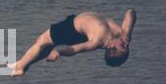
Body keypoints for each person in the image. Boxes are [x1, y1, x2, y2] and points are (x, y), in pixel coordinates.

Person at [8, 9, 137, 76]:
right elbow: (130, 12)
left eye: (123, 47)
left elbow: (75, 49)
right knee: (46, 47)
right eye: (126, 46)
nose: (125, 44)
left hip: (69, 29)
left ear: (111, 47)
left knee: (41, 42)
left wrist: (58, 51)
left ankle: (20, 68)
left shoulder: (97, 41)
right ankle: (24, 63)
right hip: (77, 30)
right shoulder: (123, 35)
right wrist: (128, 33)